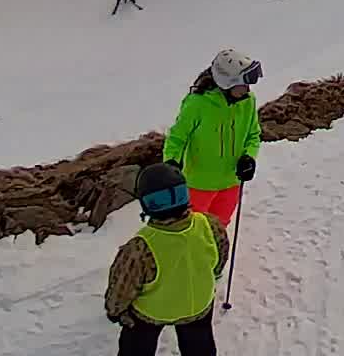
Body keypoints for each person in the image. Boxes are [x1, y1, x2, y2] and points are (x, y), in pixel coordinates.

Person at [105, 161, 225, 355]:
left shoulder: (141, 247)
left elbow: (122, 286)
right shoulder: (209, 225)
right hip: (197, 305)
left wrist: (115, 311)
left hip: (151, 313)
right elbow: (219, 259)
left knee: (136, 347)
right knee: (199, 345)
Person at [163, 50, 262, 231]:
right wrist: (171, 163)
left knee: (217, 230)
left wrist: (249, 157)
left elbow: (253, 135)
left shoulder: (248, 101)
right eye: (243, 84)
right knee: (192, 231)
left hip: (232, 183)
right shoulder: (197, 104)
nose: (248, 89)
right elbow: (177, 138)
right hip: (198, 185)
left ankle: (215, 259)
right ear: (227, 83)